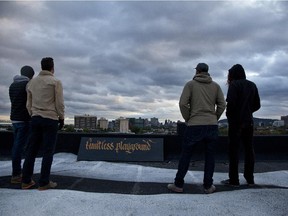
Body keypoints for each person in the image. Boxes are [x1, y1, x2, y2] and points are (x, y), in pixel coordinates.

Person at [168, 63, 226, 194]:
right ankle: (208, 186)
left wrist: (189, 118)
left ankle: (178, 185)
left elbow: (183, 103)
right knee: (210, 157)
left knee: (186, 155)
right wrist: (214, 118)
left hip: (194, 124)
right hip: (212, 125)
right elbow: (222, 105)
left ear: (197, 71)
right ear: (207, 72)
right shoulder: (216, 86)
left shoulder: (190, 85)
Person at [21, 57, 65, 190]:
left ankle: (26, 181)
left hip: (35, 118)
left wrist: (33, 114)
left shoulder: (32, 83)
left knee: (31, 151)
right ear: (53, 67)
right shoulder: (55, 82)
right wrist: (61, 118)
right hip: (50, 119)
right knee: (47, 151)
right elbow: (59, 103)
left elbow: (28, 103)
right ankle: (44, 182)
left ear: (41, 67)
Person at [221, 64, 260, 187]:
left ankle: (234, 180)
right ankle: (250, 178)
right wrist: (248, 112)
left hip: (236, 123)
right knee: (249, 150)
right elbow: (257, 105)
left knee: (234, 151)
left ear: (232, 75)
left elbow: (231, 104)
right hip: (248, 122)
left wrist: (229, 116)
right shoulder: (252, 85)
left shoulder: (234, 85)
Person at [9, 66, 35, 184]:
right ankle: (17, 174)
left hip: (14, 119)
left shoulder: (12, 85)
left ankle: (17, 172)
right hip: (24, 120)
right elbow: (30, 102)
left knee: (16, 146)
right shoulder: (27, 85)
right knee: (22, 147)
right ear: (30, 76)